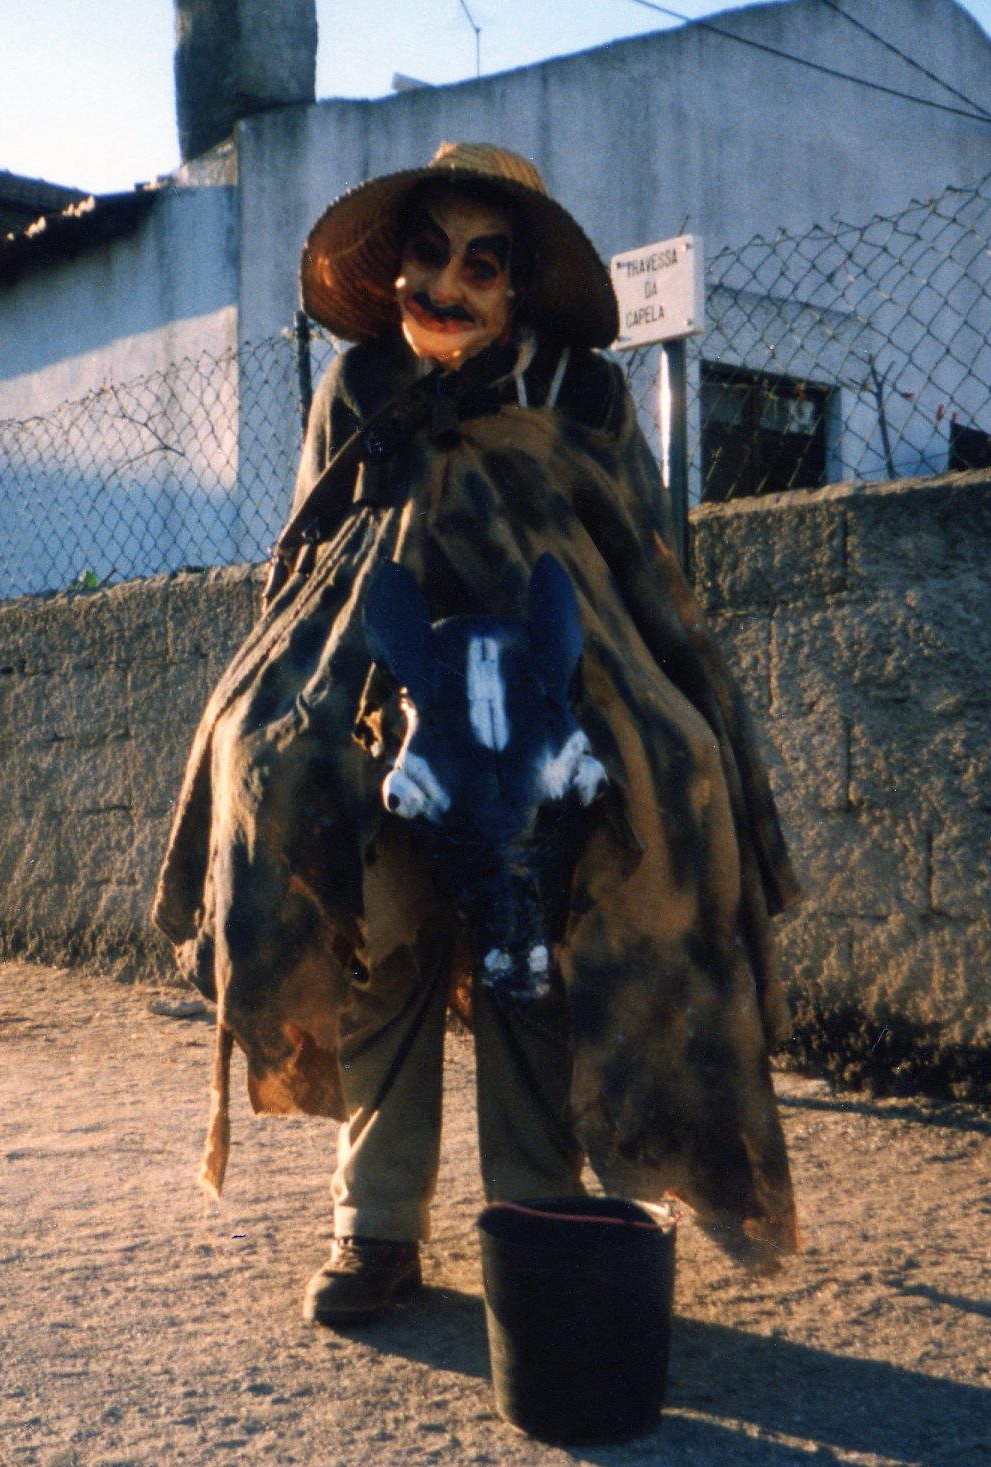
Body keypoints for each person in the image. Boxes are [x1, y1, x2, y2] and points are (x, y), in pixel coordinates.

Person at [154, 143, 803, 1326]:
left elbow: (636, 558)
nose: (445, 284)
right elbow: (311, 557)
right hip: (380, 697)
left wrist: (648, 704)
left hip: (551, 701)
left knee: (546, 934)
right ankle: (375, 1229)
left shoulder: (582, 394)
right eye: (426, 252)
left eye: (480, 264)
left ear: (515, 287)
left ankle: (537, 1216)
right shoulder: (353, 387)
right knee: (369, 926)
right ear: (393, 263)